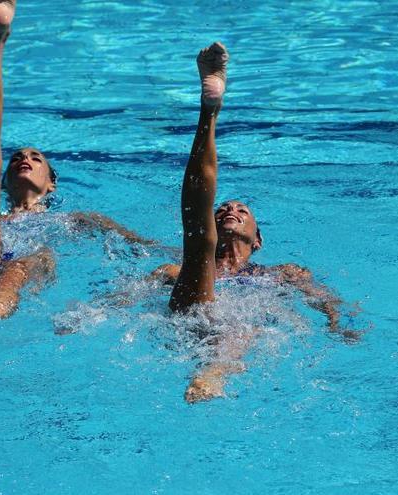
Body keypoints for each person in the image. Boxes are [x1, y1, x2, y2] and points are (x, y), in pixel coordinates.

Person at [151, 42, 359, 403]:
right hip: (193, 307)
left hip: (237, 326)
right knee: (198, 243)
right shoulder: (173, 267)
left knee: (241, 327)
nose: (230, 210)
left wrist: (337, 324)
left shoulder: (285, 274)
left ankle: (214, 372)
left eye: (241, 210)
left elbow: (329, 302)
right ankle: (209, 110)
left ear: (257, 240)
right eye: (223, 209)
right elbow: (123, 298)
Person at [0, 1, 153, 333]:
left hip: (24, 266)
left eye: (35, 158)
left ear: (51, 183)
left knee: (30, 261)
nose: (24, 159)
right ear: (6, 184)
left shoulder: (75, 220)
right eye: (17, 159)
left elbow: (140, 244)